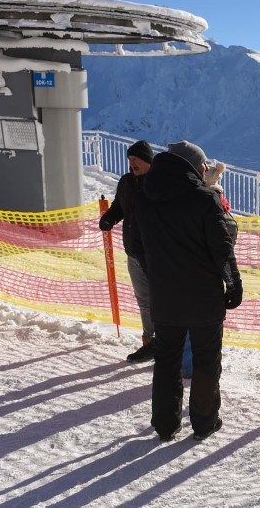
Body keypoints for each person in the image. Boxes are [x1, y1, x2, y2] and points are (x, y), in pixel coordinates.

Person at [136, 140, 242, 442]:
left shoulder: (145, 200)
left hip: (164, 296)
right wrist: (233, 284)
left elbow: (140, 247)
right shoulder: (204, 200)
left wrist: (159, 275)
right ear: (194, 167)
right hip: (203, 296)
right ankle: (204, 422)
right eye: (203, 165)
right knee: (207, 358)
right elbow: (222, 250)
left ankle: (166, 425)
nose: (206, 170)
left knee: (167, 359)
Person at [98, 140, 155, 363]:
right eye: (129, 160)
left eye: (136, 159)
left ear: (147, 160)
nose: (132, 163)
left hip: (155, 254)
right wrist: (109, 218)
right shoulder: (126, 182)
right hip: (133, 252)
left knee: (161, 300)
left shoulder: (159, 183)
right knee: (144, 300)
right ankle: (149, 342)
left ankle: (167, 344)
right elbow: (119, 206)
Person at [182, 160, 237, 378]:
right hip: (209, 277)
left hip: (191, 273)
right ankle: (201, 366)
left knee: (187, 322)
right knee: (207, 327)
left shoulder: (202, 203)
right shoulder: (220, 205)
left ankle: (189, 366)